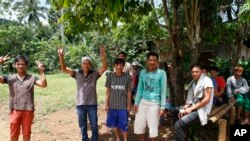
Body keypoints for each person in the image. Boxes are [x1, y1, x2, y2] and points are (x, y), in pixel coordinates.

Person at [57, 46, 108, 141]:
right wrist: (61, 56)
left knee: (94, 124)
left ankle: (95, 139)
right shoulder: (76, 73)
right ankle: (85, 139)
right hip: (80, 104)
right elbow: (64, 69)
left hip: (92, 104)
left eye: (88, 64)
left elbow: (105, 67)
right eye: (84, 63)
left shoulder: (94, 74)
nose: (86, 65)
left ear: (91, 65)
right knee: (82, 125)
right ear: (81, 64)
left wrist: (103, 56)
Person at [0, 55, 47, 141]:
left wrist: (42, 72)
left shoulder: (32, 78)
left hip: (28, 110)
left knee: (26, 133)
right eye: (18, 64)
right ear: (14, 65)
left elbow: (43, 85)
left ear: (26, 65)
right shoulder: (10, 78)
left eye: (23, 64)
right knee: (14, 134)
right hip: (15, 110)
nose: (20, 66)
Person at [174, 63, 214, 141]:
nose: (194, 73)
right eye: (192, 72)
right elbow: (190, 99)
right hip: (194, 106)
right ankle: (182, 135)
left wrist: (190, 108)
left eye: (196, 72)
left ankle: (182, 134)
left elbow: (206, 99)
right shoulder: (193, 81)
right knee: (173, 110)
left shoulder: (207, 80)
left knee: (178, 125)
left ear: (201, 72)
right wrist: (186, 106)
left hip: (202, 110)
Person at [134, 52, 167, 141]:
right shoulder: (142, 72)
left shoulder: (161, 73)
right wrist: (136, 102)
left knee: (153, 128)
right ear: (147, 61)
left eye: (154, 60)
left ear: (157, 62)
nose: (152, 62)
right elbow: (140, 88)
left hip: (154, 103)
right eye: (150, 60)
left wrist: (162, 107)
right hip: (143, 102)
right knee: (140, 126)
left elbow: (164, 90)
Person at [105, 58, 132, 141]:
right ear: (114, 66)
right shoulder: (110, 76)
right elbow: (108, 90)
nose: (119, 67)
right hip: (112, 105)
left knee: (124, 124)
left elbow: (129, 91)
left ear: (123, 66)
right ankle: (117, 137)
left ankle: (125, 139)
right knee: (114, 123)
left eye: (121, 65)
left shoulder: (127, 76)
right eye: (117, 65)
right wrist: (106, 104)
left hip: (123, 106)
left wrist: (128, 105)